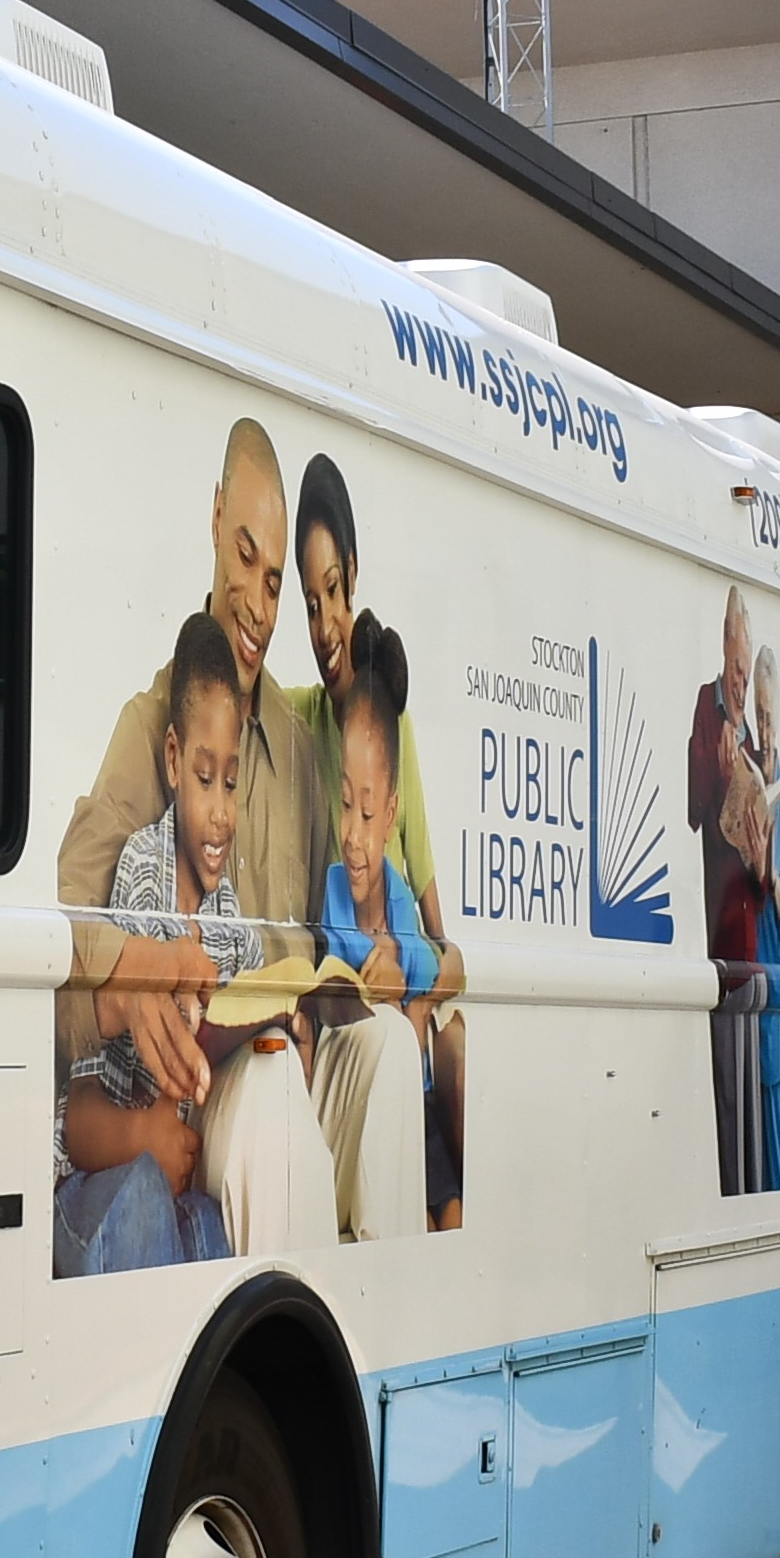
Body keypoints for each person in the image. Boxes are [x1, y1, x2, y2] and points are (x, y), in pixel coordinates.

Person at [287, 455, 466, 1221]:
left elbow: (434, 919)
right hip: (345, 1009)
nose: (323, 625)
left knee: (442, 1180)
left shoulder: (395, 730)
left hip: (401, 998)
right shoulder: (297, 718)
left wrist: (421, 1000)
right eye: (308, 600)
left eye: (332, 592)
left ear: (352, 576)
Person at [55, 613, 258, 1275]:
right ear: (171, 759)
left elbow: (250, 996)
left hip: (177, 1172)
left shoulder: (229, 913)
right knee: (146, 1194)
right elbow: (80, 1120)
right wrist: (142, 1137)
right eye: (204, 779)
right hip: (98, 1162)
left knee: (205, 1220)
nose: (221, 811)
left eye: (232, 782)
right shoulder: (141, 870)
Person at [314, 610, 434, 1237]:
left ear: (390, 815)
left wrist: (401, 964)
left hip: (400, 1085)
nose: (353, 837)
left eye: (368, 813)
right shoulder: (333, 890)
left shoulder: (402, 901)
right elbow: (330, 970)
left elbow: (430, 960)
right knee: (390, 1032)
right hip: (345, 1071)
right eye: (343, 804)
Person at [688, 589, 770, 1195]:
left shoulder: (755, 747)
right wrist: (717, 775)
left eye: (746, 674)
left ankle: (754, 1193)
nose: (741, 685)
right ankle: (734, 1195)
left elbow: (763, 879)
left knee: (754, 1104)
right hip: (720, 951)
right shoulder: (706, 712)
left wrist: (762, 861)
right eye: (737, 671)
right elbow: (695, 811)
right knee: (727, 1097)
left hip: (754, 948)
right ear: (724, 649)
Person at [748, 648, 780, 1195]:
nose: (762, 727)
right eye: (757, 716)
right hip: (745, 995)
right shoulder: (746, 772)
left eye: (767, 716)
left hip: (773, 1007)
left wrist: (769, 876)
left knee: (776, 1165)